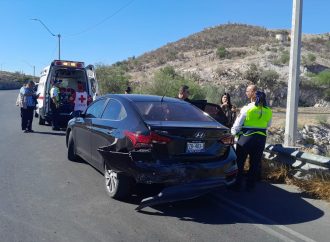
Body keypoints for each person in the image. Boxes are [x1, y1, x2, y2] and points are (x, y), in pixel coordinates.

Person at [231, 85, 272, 191]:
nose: (246, 93)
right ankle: (250, 185)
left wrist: (233, 134)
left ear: (253, 93)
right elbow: (268, 125)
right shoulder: (268, 110)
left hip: (246, 137)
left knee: (240, 161)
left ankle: (237, 184)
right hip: (261, 138)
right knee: (255, 163)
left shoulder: (247, 108)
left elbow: (237, 124)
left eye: (247, 91)